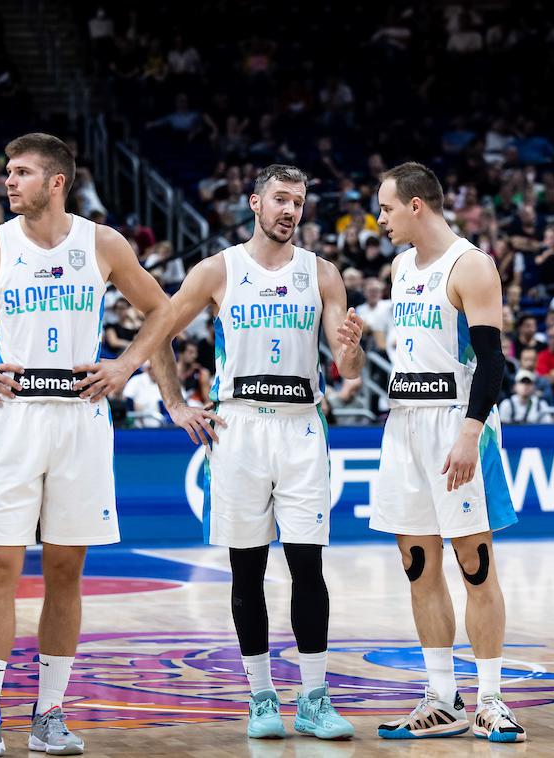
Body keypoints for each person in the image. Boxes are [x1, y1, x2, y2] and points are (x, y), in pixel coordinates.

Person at [0, 132, 174, 757]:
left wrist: (127, 365)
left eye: (22, 172)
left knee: (66, 570)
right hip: (13, 413)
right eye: (9, 171)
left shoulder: (102, 242)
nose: (9, 181)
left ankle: (49, 714)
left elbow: (163, 309)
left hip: (81, 416)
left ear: (56, 181)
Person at [150, 164, 364, 742]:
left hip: (301, 425)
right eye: (280, 199)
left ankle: (314, 699)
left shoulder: (322, 273)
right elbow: (157, 332)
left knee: (308, 569)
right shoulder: (218, 270)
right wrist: (176, 405)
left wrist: (352, 354)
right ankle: (261, 695)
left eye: (297, 201)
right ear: (254, 203)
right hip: (238, 426)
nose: (290, 210)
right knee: (246, 570)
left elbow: (347, 369)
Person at [371, 162, 525, 743]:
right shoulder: (401, 266)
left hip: (458, 424)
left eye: (386, 207)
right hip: (405, 423)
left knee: (475, 565)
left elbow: (493, 362)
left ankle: (490, 700)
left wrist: (471, 431)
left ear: (416, 205)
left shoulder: (472, 265)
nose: (380, 219)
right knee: (418, 566)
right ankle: (441, 698)